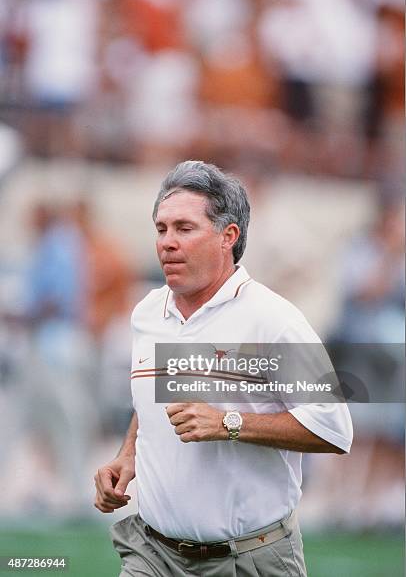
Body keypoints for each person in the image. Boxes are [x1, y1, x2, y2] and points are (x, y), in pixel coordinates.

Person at [94, 161, 353, 576]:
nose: (167, 243)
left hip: (249, 559)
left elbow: (334, 428)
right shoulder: (147, 313)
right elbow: (154, 397)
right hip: (152, 554)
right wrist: (128, 457)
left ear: (227, 237)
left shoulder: (274, 320)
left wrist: (227, 422)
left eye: (184, 228)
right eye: (161, 229)